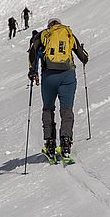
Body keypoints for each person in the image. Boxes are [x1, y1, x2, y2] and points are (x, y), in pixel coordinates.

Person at [28, 19, 89, 161]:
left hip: (49, 78)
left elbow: (32, 52)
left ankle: (50, 143)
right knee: (67, 109)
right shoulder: (68, 34)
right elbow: (84, 57)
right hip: (67, 77)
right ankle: (66, 142)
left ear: (49, 26)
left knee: (48, 109)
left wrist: (33, 71)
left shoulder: (44, 35)